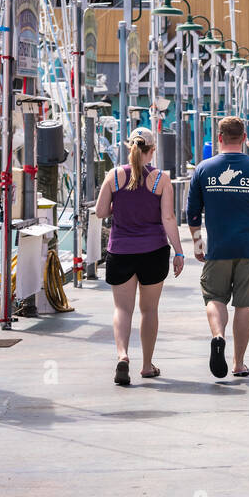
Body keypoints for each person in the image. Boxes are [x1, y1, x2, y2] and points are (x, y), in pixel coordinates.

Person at [187, 114, 249, 379]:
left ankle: (218, 336)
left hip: (216, 248)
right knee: (244, 304)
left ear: (219, 138)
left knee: (214, 298)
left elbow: (192, 212)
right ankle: (239, 363)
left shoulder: (204, 168)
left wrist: (197, 243)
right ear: (244, 138)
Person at [94, 127, 185, 386]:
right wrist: (178, 251)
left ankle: (123, 355)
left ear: (129, 147)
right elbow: (168, 218)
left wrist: (118, 205)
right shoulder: (161, 179)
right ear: (152, 150)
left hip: (120, 251)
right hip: (153, 251)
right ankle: (147, 365)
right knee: (149, 309)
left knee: (123, 308)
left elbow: (101, 212)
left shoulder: (114, 176)